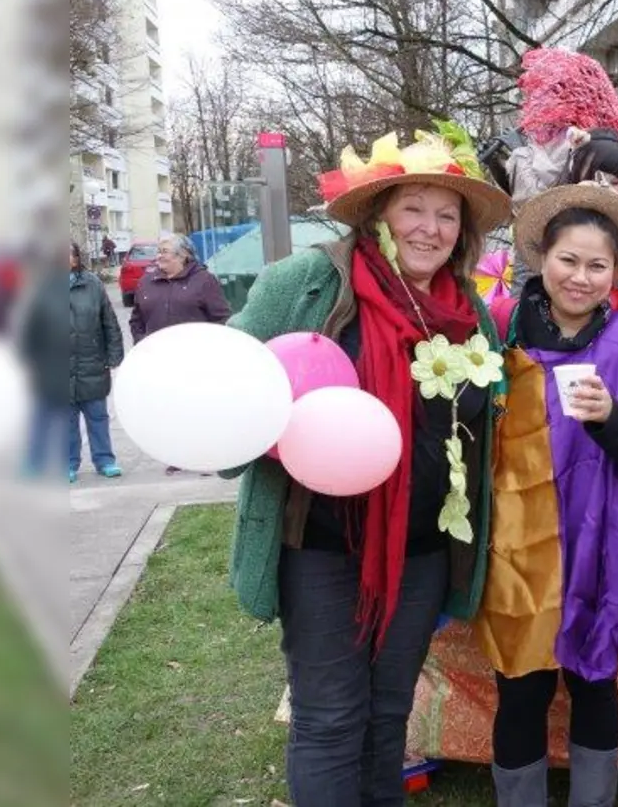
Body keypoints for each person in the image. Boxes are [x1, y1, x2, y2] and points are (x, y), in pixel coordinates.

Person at [224, 128, 512, 807]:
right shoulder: (305, 283)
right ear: (379, 213)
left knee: (388, 720)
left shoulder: (467, 313)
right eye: (414, 208)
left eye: (448, 215)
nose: (431, 228)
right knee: (329, 721)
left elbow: (485, 426)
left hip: (418, 555)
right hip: (321, 548)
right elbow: (229, 388)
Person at [481, 180, 618, 806]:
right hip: (518, 541)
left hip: (605, 538)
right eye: (568, 260)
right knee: (520, 685)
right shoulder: (499, 331)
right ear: (541, 259)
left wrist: (612, 417)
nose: (580, 277)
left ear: (617, 270)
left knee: (594, 678)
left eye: (597, 265)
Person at [510, 127, 618, 298]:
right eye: (594, 176)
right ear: (576, 171)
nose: (604, 187)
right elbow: (520, 297)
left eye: (615, 182)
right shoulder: (541, 225)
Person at [22, 243, 125, 483]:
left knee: (97, 416)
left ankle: (105, 461)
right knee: (66, 419)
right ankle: (69, 463)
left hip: (91, 362)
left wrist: (114, 355)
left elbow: (109, 321)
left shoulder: (93, 284)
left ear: (76, 258)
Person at [128, 233, 232, 342]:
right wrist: (142, 342)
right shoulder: (146, 282)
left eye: (165, 251)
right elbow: (136, 321)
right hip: (155, 354)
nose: (159, 256)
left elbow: (222, 318)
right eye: (158, 251)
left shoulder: (204, 280)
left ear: (182, 256)